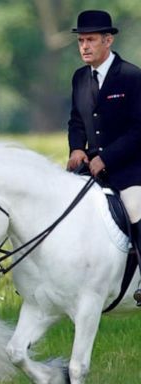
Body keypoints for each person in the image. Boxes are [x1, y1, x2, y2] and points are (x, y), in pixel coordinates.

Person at [67, 9, 141, 303]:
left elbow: (139, 130)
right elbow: (76, 121)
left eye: (91, 40)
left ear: (108, 40)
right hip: (90, 169)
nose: (84, 46)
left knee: (136, 210)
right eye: (81, 41)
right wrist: (75, 148)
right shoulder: (79, 78)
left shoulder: (132, 76)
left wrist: (106, 158)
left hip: (130, 169)